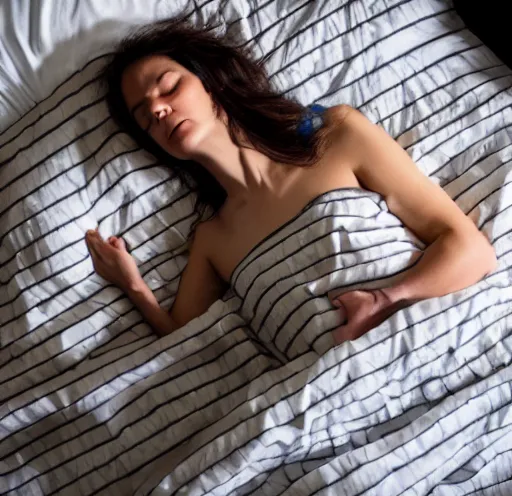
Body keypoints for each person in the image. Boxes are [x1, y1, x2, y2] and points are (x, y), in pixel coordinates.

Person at [85, 17, 497, 344]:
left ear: (211, 82)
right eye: (144, 116)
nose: (158, 110)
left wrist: (385, 300)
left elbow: (471, 250)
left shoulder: (337, 137)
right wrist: (132, 283)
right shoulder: (213, 240)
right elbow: (182, 337)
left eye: (169, 87)